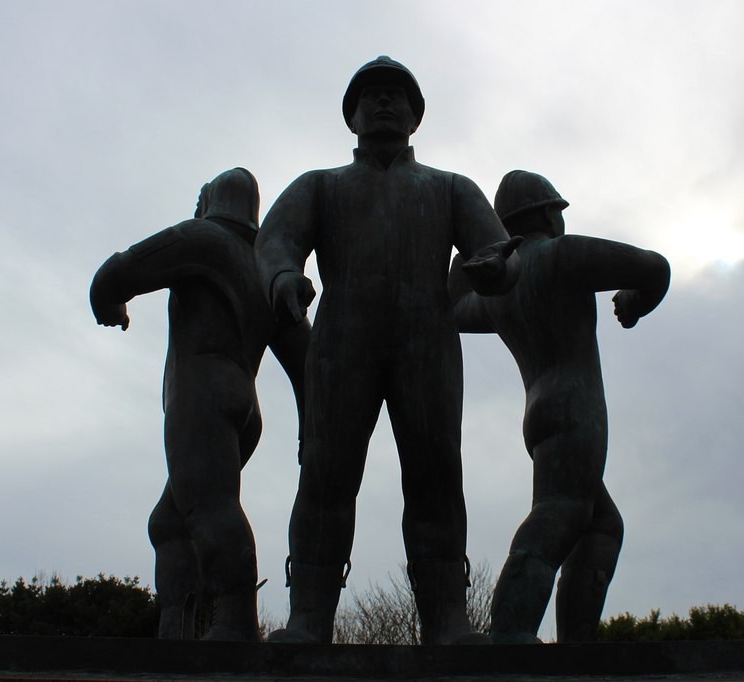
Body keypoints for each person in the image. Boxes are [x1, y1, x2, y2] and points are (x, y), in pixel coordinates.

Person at [254, 56, 521, 645]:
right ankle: (308, 619)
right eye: (370, 95)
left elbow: (500, 252)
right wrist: (283, 276)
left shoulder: (450, 188)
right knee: (325, 476)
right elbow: (275, 240)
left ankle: (447, 620)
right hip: (340, 340)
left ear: (415, 117)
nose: (382, 102)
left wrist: (495, 268)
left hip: (427, 341)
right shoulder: (321, 185)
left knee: (436, 478)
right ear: (350, 117)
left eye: (396, 95)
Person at [448, 171, 669, 643]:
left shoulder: (499, 289)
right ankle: (510, 636)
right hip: (575, 408)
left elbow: (455, 310)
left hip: (540, 413)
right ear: (550, 215)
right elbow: (655, 269)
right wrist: (634, 302)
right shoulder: (562, 255)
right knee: (561, 513)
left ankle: (576, 645)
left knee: (602, 525)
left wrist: (464, 251)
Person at [90, 168, 309, 641]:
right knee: (170, 523)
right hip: (243, 405)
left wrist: (107, 303)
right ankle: (176, 628)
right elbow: (305, 359)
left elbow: (123, 270)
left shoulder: (202, 239)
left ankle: (236, 621)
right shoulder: (265, 266)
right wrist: (311, 426)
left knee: (210, 511)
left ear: (211, 200)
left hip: (201, 396)